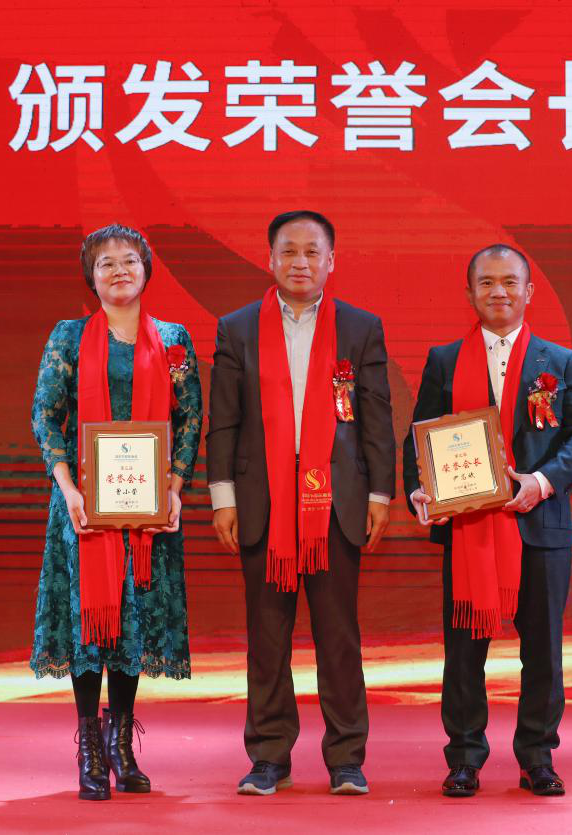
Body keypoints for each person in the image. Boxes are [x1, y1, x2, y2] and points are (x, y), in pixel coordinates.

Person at [206, 210, 396, 796]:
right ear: (270, 258)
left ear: (331, 261)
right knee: (267, 636)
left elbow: (376, 418)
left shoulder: (360, 328)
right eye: (288, 251)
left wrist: (380, 492)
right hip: (261, 501)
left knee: (339, 636)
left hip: (335, 501)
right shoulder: (238, 328)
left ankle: (346, 758)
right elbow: (224, 421)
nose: (300, 262)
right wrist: (222, 497)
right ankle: (269, 756)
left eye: (313, 252)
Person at [402, 244, 572, 798]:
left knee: (543, 651)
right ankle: (464, 758)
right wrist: (419, 487)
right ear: (470, 292)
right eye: (486, 282)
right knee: (464, 650)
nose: (498, 292)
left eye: (510, 282)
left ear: (529, 291)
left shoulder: (561, 362)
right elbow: (419, 435)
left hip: (541, 526)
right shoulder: (445, 360)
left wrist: (541, 481)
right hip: (469, 528)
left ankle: (538, 756)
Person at [30, 223, 202, 801]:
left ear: (147, 269)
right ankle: (89, 746)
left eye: (129, 260)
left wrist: (174, 487)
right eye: (106, 263)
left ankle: (121, 744)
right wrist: (68, 489)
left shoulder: (173, 339)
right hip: (84, 507)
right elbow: (45, 416)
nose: (119, 271)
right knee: (90, 621)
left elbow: (189, 419)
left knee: (134, 618)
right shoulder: (69, 336)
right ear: (91, 277)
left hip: (148, 508)